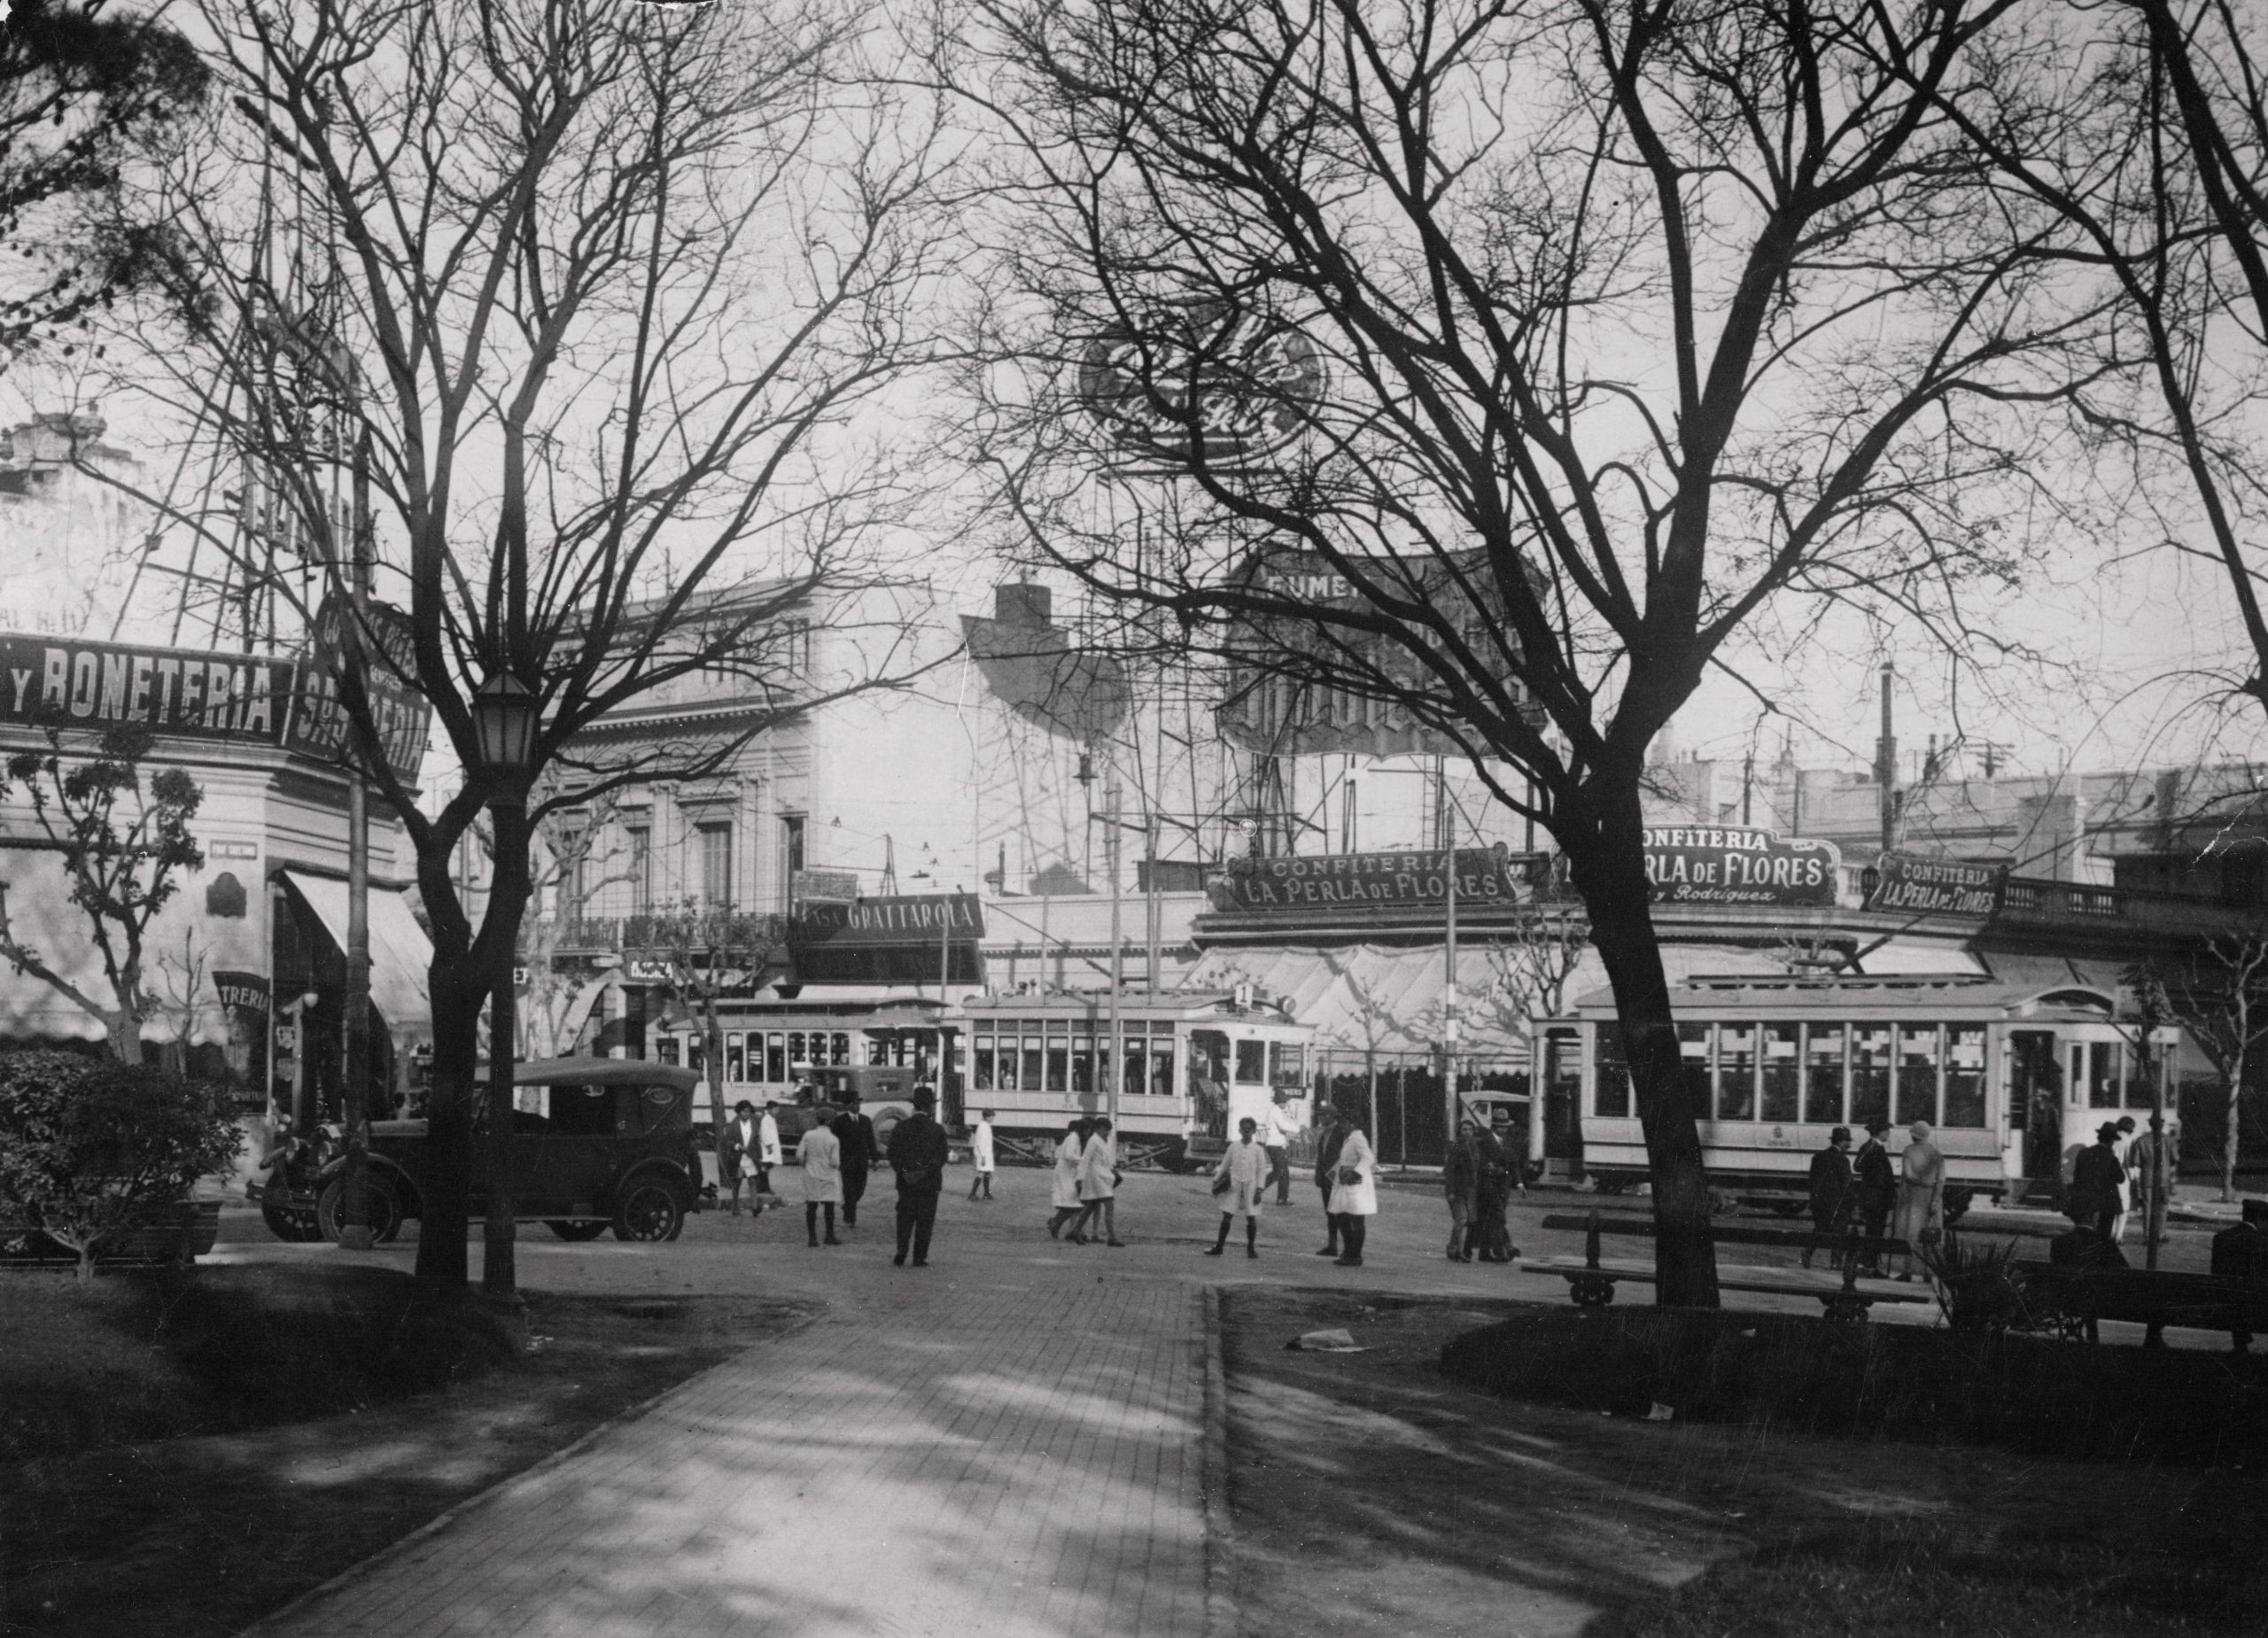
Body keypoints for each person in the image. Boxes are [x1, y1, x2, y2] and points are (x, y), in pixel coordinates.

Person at [890, 1087, 951, 1266]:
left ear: (913, 1105)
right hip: (929, 1183)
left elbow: (893, 1154)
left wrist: (904, 1173)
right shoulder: (937, 1129)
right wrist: (924, 1172)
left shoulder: (901, 1126)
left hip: (906, 1182)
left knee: (904, 1218)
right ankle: (919, 1256)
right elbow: (942, 1157)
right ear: (930, 1107)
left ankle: (902, 1249)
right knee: (925, 1220)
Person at [1207, 1116, 1270, 1258]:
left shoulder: (1258, 1150)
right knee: (1227, 1215)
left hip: (1251, 1186)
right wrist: (1216, 1180)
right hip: (1234, 1184)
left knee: (1251, 1217)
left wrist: (1259, 1189)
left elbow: (1261, 1170)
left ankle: (1251, 1248)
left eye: (1249, 1129)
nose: (1246, 1131)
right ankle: (1219, 1246)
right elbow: (1225, 1164)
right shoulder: (1234, 1146)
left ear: (1253, 1131)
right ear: (1239, 1130)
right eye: (1243, 1129)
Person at [1893, 1121, 1946, 1281]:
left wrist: (1923, 1181)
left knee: (1911, 1235)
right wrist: (1935, 1200)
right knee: (1929, 1238)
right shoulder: (1936, 1154)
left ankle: (1907, 1271)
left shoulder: (1908, 1151)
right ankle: (1928, 1273)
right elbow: (1941, 1180)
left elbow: (1908, 1175)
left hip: (1913, 1198)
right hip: (1931, 1198)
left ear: (1914, 1135)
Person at [1328, 1109, 1378, 1268]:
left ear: (1353, 1124)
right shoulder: (1349, 1138)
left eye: (1344, 1123)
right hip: (1345, 1180)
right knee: (1341, 1215)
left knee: (1356, 1219)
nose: (1341, 1126)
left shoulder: (1358, 1138)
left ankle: (1355, 1255)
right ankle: (1349, 1251)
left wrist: (1355, 1174)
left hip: (1356, 1182)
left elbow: (1368, 1157)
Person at [1802, 1126, 1854, 1269]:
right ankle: (1836, 1262)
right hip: (1837, 1204)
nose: (1849, 1145)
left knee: (1819, 1229)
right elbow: (1846, 1184)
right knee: (1840, 1232)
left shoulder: (1818, 1157)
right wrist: (1851, 1203)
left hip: (1819, 1202)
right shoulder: (1843, 1160)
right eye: (1848, 1141)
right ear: (1842, 1142)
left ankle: (1807, 1252)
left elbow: (1812, 1180)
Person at [1069, 1117, 1124, 1246]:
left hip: (1102, 1177)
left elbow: (1106, 1159)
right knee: (1109, 1205)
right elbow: (1085, 1159)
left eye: (1108, 1130)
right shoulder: (1093, 1141)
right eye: (1105, 1130)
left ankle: (1076, 1230)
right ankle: (1112, 1238)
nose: (1107, 1133)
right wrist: (1080, 1178)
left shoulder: (1101, 1140)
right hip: (1096, 1177)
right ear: (1098, 1128)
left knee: (1090, 1207)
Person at [2069, 1121, 2127, 1238]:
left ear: (2099, 1137)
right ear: (2111, 1141)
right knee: (2103, 1236)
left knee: (2086, 1236)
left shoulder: (2084, 1153)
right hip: (2106, 1203)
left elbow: (2077, 1176)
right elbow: (2121, 1178)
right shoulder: (2111, 1157)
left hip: (2085, 1201)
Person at [1852, 1117, 1896, 1274]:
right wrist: (1876, 1177)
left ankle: (1869, 1264)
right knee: (1874, 1232)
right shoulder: (1871, 1147)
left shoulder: (1873, 1147)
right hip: (1876, 1197)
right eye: (1887, 1131)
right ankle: (1869, 1265)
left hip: (1877, 1197)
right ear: (1881, 1132)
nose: (1889, 1134)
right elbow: (1858, 1166)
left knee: (1875, 1231)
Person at [831, 1096, 881, 1229]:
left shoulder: (865, 1120)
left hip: (862, 1162)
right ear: (848, 1106)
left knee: (860, 1189)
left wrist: (875, 1159)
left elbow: (871, 1140)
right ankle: (850, 1219)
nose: (857, 1106)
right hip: (846, 1162)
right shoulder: (839, 1121)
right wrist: (834, 1158)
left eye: (859, 1103)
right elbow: (834, 1142)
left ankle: (847, 1206)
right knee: (848, 1190)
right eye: (854, 1103)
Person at [798, 1115, 843, 1247]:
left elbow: (799, 1155)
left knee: (811, 1206)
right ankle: (829, 1235)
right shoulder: (833, 1139)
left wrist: (804, 1164)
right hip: (828, 1175)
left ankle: (812, 1238)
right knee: (829, 1207)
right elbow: (835, 1162)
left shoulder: (808, 1135)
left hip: (811, 1173)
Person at [1442, 1117, 1481, 1261]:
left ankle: (1460, 1251)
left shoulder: (1474, 1147)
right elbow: (1450, 1171)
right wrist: (1451, 1191)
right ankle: (1452, 1247)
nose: (1467, 1132)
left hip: (1471, 1189)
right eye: (1464, 1129)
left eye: (1470, 1129)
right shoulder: (1456, 1147)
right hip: (1458, 1190)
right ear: (1459, 1131)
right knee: (1461, 1219)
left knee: (1466, 1221)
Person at [1312, 1103, 1348, 1257]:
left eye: (1323, 1115)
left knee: (1340, 1214)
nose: (1320, 1118)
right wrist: (1318, 1175)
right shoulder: (1324, 1133)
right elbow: (1322, 1156)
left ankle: (1347, 1248)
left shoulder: (1341, 1132)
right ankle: (1332, 1246)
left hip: (1337, 1179)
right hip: (1325, 1179)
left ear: (1331, 1116)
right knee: (1330, 1213)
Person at [720, 1100, 762, 1216]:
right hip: (738, 1157)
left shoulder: (754, 1124)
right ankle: (735, 1207)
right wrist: (737, 1146)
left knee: (752, 1180)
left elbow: (757, 1140)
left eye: (748, 1111)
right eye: (744, 1111)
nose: (746, 1113)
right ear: (739, 1111)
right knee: (737, 1182)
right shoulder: (733, 1124)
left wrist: (760, 1156)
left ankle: (755, 1207)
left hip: (750, 1157)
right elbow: (727, 1141)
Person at [1048, 1117, 1089, 1238]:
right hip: (1065, 1173)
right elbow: (1069, 1155)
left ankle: (1056, 1224)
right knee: (1073, 1203)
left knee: (1072, 1203)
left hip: (1067, 1173)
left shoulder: (1074, 1137)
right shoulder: (1074, 1138)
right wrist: (1083, 1160)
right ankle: (1056, 1223)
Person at [1262, 1091, 1299, 1206]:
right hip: (1274, 1145)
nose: (1286, 1104)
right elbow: (1283, 1126)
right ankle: (1281, 1198)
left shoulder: (1276, 1111)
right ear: (1281, 1102)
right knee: (1281, 1172)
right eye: (1285, 1102)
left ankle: (1281, 1198)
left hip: (1275, 1145)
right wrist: (1297, 1128)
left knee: (1280, 1172)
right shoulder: (1276, 1112)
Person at [2111, 1115, 2139, 1242]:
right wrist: (2133, 1177)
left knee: (2111, 1207)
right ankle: (2119, 1235)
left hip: (2109, 1174)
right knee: (2123, 1208)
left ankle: (2110, 1233)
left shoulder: (2112, 1138)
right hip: (2123, 1175)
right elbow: (2129, 1162)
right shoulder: (2129, 1140)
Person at [757, 1100, 783, 1210]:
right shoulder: (766, 1119)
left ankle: (763, 1187)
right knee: (765, 1167)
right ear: (769, 1109)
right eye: (775, 1109)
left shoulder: (771, 1119)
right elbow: (764, 1133)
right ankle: (764, 1187)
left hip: (771, 1147)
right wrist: (768, 1145)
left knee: (767, 1167)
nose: (777, 1112)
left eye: (777, 1110)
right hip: (768, 1148)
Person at [969, 1108, 997, 1201]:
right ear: (987, 1117)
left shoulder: (986, 1126)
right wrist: (984, 1156)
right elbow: (980, 1143)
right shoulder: (983, 1127)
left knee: (987, 1172)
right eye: (991, 1116)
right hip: (983, 1154)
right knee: (981, 1173)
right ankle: (972, 1194)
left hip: (986, 1153)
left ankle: (986, 1193)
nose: (993, 1118)